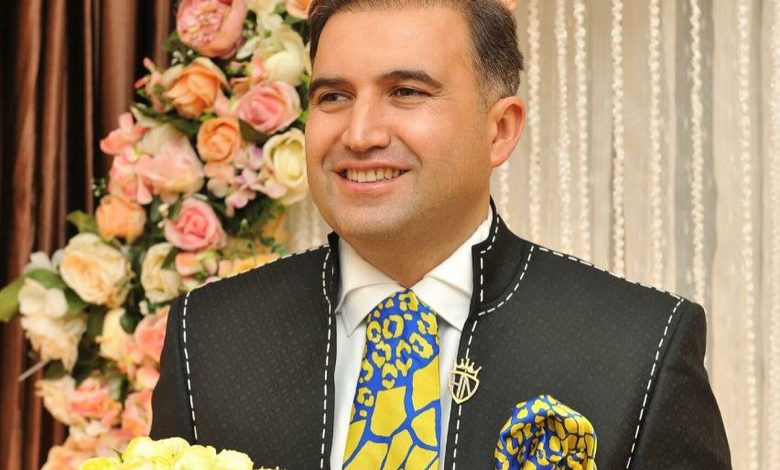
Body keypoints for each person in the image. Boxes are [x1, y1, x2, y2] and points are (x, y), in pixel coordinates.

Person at [150, 0, 731, 468]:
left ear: (499, 130)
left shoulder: (639, 349)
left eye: (406, 92)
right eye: (334, 97)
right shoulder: (209, 339)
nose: (360, 133)